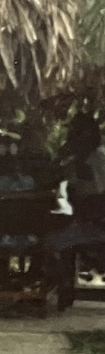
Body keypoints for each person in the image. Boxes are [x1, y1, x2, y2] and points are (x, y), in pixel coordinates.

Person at [47, 112, 105, 308]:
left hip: (95, 225)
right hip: (84, 222)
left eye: (75, 132)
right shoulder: (76, 160)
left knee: (52, 242)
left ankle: (62, 287)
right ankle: (63, 287)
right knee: (55, 237)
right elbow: (57, 178)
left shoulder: (96, 158)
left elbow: (93, 194)